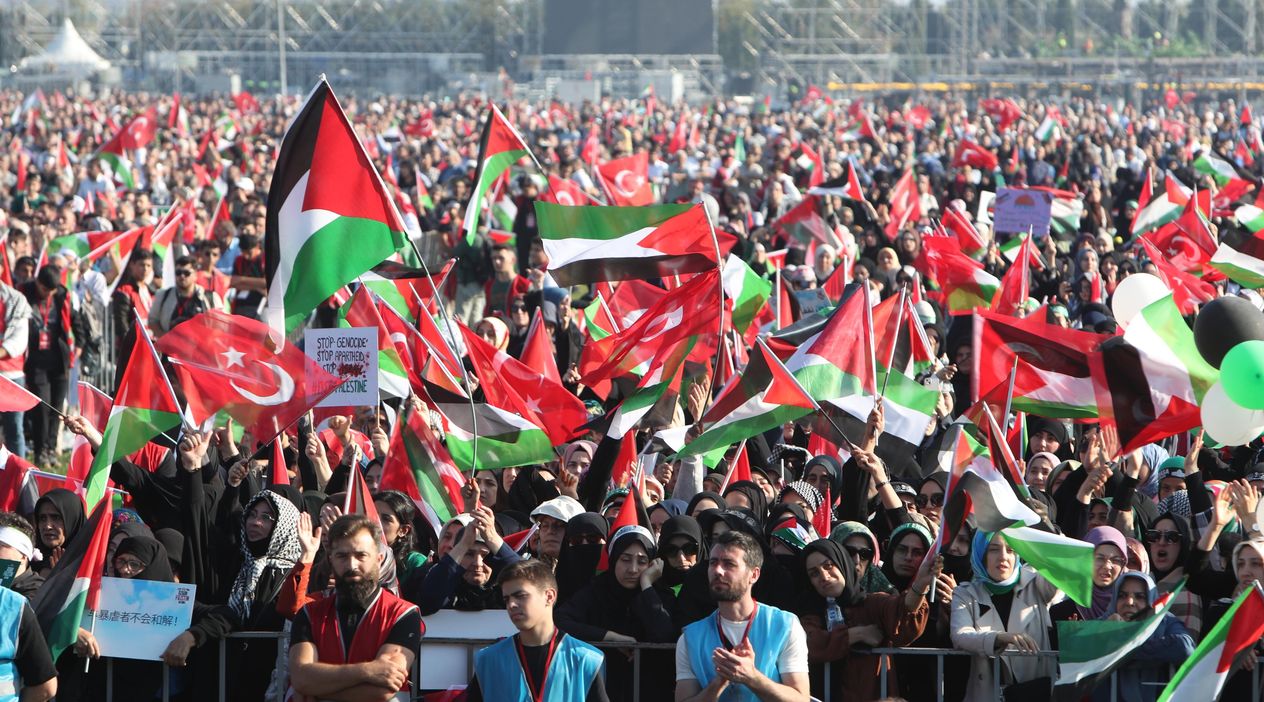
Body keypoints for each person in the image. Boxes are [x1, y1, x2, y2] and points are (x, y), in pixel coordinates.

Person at [289, 514, 422, 702]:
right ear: (330, 559)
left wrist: (317, 691)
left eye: (361, 555)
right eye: (342, 556)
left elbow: (384, 688)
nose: (352, 565)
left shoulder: (403, 614)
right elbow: (301, 678)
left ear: (378, 559)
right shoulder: (310, 613)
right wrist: (368, 670)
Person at [673, 530, 810, 702]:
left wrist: (751, 677)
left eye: (729, 564)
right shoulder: (690, 638)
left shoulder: (785, 625)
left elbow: (800, 698)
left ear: (754, 575)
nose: (718, 571)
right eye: (713, 563)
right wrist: (719, 683)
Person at [796, 538, 935, 701]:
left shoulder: (872, 603)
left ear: (842, 563)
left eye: (828, 566)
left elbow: (903, 613)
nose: (824, 576)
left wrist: (920, 584)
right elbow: (806, 644)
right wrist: (855, 635)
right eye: (814, 573)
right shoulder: (810, 612)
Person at [467, 558, 608, 701]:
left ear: (549, 596)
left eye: (520, 596)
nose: (511, 605)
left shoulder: (587, 659)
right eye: (507, 599)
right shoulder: (488, 660)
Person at [950, 531, 1061, 701]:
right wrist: (999, 638)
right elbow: (959, 635)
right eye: (994, 549)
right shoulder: (965, 593)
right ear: (981, 554)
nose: (1003, 557)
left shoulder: (1035, 582)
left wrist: (1039, 525)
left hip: (1035, 693)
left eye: (1010, 550)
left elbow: (1058, 561)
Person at [149, 255, 223, 336]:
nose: (182, 276)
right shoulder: (162, 295)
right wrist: (165, 339)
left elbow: (220, 326)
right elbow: (153, 321)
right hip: (171, 346)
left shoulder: (211, 298)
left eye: (186, 273)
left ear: (195, 275)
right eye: (178, 273)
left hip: (200, 346)